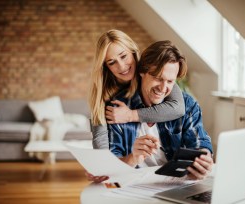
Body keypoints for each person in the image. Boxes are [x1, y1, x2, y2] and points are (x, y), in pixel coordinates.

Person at [87, 30, 186, 182]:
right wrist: (101, 168)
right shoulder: (104, 95)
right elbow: (101, 144)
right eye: (112, 62)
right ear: (105, 66)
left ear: (133, 51)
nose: (121, 66)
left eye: (123, 56)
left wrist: (130, 115)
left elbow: (178, 107)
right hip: (130, 173)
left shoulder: (152, 70)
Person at [108, 40, 213, 180]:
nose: (163, 89)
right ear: (142, 72)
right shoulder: (118, 109)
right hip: (135, 185)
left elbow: (200, 143)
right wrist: (132, 158)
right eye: (158, 78)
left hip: (177, 184)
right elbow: (111, 166)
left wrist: (204, 159)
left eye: (170, 81)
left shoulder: (188, 105)